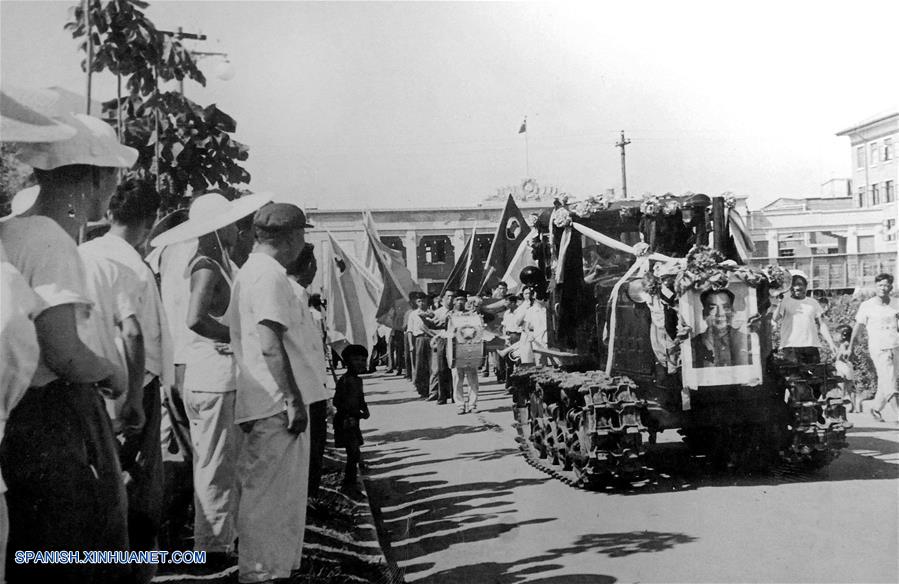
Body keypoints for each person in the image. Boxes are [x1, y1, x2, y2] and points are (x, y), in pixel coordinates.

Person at [0, 109, 136, 582]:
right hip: (53, 417)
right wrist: (113, 372)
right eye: (114, 176)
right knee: (76, 548)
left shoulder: (13, 228)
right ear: (95, 178)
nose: (115, 187)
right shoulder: (51, 240)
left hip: (16, 417)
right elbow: (63, 352)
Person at [151, 191, 271, 563]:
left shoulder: (217, 261)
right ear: (219, 228)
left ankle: (219, 538)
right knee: (215, 464)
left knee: (222, 462)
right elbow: (194, 318)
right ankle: (212, 546)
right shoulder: (206, 265)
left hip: (218, 376)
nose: (239, 230)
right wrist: (234, 337)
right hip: (212, 378)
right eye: (233, 223)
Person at [80, 180, 176, 580]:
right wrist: (136, 396)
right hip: (135, 384)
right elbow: (134, 333)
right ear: (150, 220)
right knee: (139, 486)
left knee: (98, 482)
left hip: (88, 382)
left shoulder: (81, 253)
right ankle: (136, 572)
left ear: (110, 214)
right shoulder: (131, 265)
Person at [226, 202, 313, 583]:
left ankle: (271, 572)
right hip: (275, 404)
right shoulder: (268, 275)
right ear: (293, 238)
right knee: (269, 502)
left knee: (275, 500)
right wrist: (293, 399)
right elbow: (269, 342)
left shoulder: (255, 272)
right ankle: (263, 576)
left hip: (266, 401)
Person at [285, 243, 331, 502]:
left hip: (313, 390)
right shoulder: (291, 296)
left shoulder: (301, 296)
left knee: (314, 454)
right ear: (308, 266)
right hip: (302, 392)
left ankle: (308, 503)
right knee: (306, 457)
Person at [849, 273, 899, 423]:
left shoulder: (896, 303)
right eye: (880, 285)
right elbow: (857, 327)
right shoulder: (867, 305)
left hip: (896, 346)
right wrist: (850, 347)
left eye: (886, 285)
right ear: (876, 286)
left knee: (887, 380)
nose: (883, 288)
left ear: (891, 286)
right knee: (890, 382)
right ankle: (898, 415)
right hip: (879, 348)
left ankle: (876, 408)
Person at [773, 272, 835, 364]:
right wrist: (779, 303)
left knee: (813, 376)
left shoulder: (812, 302)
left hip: (810, 346)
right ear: (790, 288)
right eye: (794, 285)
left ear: (806, 287)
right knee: (794, 376)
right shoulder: (784, 302)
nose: (797, 287)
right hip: (791, 347)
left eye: (800, 284)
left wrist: (831, 343)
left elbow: (821, 324)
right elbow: (775, 318)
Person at [333, 344, 371, 493]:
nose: (360, 363)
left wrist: (365, 409)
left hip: (354, 421)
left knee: (355, 453)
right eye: (356, 359)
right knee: (352, 453)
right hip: (345, 421)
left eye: (363, 360)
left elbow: (360, 398)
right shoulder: (345, 380)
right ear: (347, 361)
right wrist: (352, 412)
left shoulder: (358, 380)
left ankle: (351, 482)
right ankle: (349, 485)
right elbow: (337, 401)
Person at [691, 288, 752, 368]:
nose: (720, 314)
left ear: (733, 312)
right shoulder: (694, 344)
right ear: (704, 314)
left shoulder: (746, 340)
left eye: (726, 307)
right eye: (713, 308)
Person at [448, 292, 484, 414]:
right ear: (454, 301)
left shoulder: (473, 315)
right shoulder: (450, 316)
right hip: (456, 351)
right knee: (457, 380)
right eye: (458, 299)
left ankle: (472, 404)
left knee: (472, 379)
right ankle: (460, 405)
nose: (460, 302)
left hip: (471, 349)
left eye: (462, 300)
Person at [426, 289, 455, 402]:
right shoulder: (438, 312)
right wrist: (435, 337)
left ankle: (453, 395)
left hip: (453, 341)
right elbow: (430, 326)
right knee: (441, 369)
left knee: (453, 368)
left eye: (452, 297)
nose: (450, 299)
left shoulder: (456, 312)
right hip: (442, 341)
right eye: (448, 297)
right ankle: (442, 395)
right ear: (443, 299)